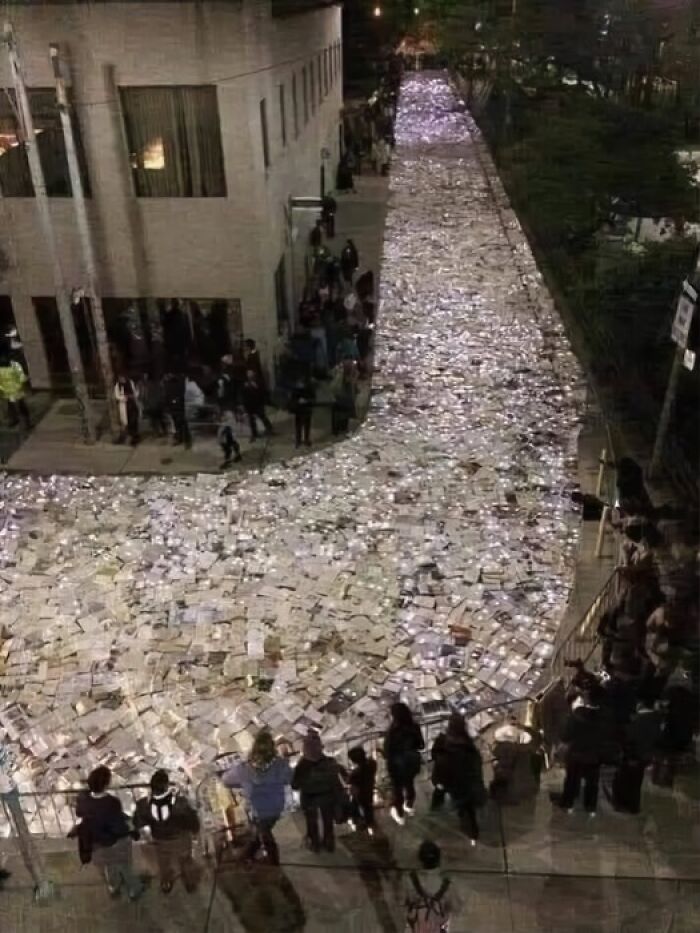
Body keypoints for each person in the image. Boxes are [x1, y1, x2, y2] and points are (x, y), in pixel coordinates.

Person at [73, 766, 144, 900]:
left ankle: (114, 887)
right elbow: (117, 825)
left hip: (96, 842)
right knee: (125, 866)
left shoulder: (83, 800)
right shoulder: (111, 802)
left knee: (109, 867)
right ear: (106, 784)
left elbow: (80, 813)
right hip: (115, 841)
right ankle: (134, 890)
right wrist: (131, 831)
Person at [222, 730, 292, 866]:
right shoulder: (280, 764)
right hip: (276, 808)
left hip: (257, 810)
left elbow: (226, 780)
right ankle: (249, 855)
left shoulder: (244, 769)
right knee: (261, 832)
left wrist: (242, 783)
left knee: (263, 834)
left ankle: (271, 862)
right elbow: (289, 779)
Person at [133, 769, 200, 893]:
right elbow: (192, 820)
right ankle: (190, 883)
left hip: (159, 839)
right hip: (181, 839)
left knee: (163, 862)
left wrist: (146, 834)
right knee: (185, 860)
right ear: (166, 786)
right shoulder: (180, 803)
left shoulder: (143, 804)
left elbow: (138, 822)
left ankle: (166, 883)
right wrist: (195, 831)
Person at [430, 713, 485, 843]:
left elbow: (436, 757)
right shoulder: (467, 742)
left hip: (446, 778)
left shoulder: (442, 740)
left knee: (439, 794)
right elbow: (475, 762)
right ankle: (473, 835)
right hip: (464, 782)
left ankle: (434, 813)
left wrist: (438, 779)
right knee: (466, 808)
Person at [553, 691, 606, 816]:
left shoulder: (577, 714)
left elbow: (566, 736)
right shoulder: (604, 716)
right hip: (594, 754)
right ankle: (590, 807)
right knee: (592, 783)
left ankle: (567, 803)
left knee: (572, 780)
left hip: (576, 754)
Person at [606, 699, 663, 814]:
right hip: (645, 756)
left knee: (624, 778)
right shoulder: (656, 721)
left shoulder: (636, 721)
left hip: (633, 754)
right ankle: (633, 806)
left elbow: (628, 737)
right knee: (636, 782)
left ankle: (621, 804)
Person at [291, 730, 343, 853]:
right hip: (327, 796)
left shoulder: (302, 766)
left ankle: (315, 844)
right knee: (328, 821)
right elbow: (335, 781)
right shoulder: (329, 762)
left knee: (311, 822)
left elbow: (295, 785)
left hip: (309, 797)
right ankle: (329, 843)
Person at [404, 840, 458, 933]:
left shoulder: (408, 880)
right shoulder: (448, 883)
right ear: (438, 858)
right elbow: (457, 908)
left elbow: (401, 904)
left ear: (420, 858)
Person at [384, 702, 424, 825]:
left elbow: (388, 750)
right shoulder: (414, 727)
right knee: (409, 784)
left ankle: (400, 815)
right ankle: (409, 805)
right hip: (411, 762)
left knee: (398, 790)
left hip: (397, 764)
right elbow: (421, 745)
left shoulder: (393, 731)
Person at [346, 746, 377, 834]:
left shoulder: (355, 773)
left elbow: (349, 782)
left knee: (359, 808)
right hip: (369, 790)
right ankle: (370, 826)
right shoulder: (372, 764)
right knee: (368, 808)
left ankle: (363, 825)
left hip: (360, 794)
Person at [242, 369, 273, 441]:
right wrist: (244, 405)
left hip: (258, 404)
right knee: (251, 420)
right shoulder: (245, 384)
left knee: (262, 416)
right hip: (250, 405)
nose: (250, 376)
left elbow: (263, 392)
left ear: (254, 375)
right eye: (248, 375)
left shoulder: (259, 382)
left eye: (251, 374)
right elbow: (244, 395)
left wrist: (264, 401)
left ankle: (269, 428)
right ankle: (254, 434)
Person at [0, 354, 30, 429]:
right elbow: (22, 378)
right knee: (18, 407)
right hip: (13, 391)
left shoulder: (3, 369)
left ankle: (17, 421)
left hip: (11, 391)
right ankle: (23, 423)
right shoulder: (15, 366)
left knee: (14, 406)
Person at [164, 371, 192, 448]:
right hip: (178, 407)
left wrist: (169, 405)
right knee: (180, 424)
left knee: (180, 424)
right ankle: (184, 440)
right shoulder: (178, 383)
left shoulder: (171, 384)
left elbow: (167, 396)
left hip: (177, 407)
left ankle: (183, 440)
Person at [331, 359, 357, 436]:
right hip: (342, 399)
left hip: (340, 399)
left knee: (339, 413)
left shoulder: (340, 374)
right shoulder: (341, 375)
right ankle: (341, 427)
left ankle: (339, 428)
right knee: (342, 412)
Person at [289, 375, 316, 448]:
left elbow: (313, 398)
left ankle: (306, 439)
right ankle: (298, 440)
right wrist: (298, 401)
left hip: (307, 409)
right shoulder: (295, 389)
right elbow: (292, 399)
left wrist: (306, 401)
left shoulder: (309, 388)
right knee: (298, 426)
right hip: (299, 409)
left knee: (307, 425)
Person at [113, 375, 140, 445]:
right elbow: (117, 396)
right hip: (124, 406)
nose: (122, 380)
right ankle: (122, 438)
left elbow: (136, 392)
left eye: (123, 378)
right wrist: (125, 397)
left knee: (133, 422)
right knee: (125, 424)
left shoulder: (130, 383)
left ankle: (134, 439)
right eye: (120, 379)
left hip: (132, 405)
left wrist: (133, 396)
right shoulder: (117, 386)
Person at [140, 372, 168, 436]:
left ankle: (157, 432)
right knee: (160, 419)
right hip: (157, 404)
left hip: (151, 405)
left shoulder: (147, 386)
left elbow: (145, 396)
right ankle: (164, 431)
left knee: (154, 420)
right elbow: (162, 394)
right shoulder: (158, 384)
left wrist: (145, 404)